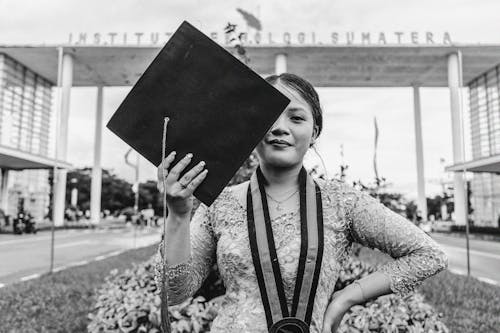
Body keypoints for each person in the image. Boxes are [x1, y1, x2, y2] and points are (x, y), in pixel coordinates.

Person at [153, 73, 448, 333]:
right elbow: (174, 292)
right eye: (269, 117)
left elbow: (428, 254)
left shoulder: (343, 201)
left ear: (314, 132)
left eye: (296, 117)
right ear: (251, 127)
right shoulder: (219, 203)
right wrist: (178, 214)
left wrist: (347, 297)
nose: (280, 127)